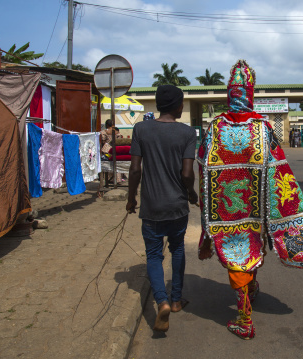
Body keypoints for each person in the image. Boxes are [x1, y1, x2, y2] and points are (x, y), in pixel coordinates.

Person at [197, 60, 303, 340]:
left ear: (230, 94)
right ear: (250, 94)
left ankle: (244, 319)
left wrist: (206, 221)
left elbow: (202, 171)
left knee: (235, 256)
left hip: (225, 211)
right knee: (251, 248)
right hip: (255, 210)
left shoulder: (214, 128)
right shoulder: (263, 129)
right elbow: (279, 170)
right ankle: (251, 292)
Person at [127, 85, 198, 332]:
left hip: (152, 207)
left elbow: (135, 170)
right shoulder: (188, 133)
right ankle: (176, 300)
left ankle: (162, 301)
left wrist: (130, 199)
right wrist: (191, 194)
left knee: (154, 255)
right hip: (177, 207)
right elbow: (187, 174)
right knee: (178, 249)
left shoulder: (141, 129)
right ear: (178, 106)